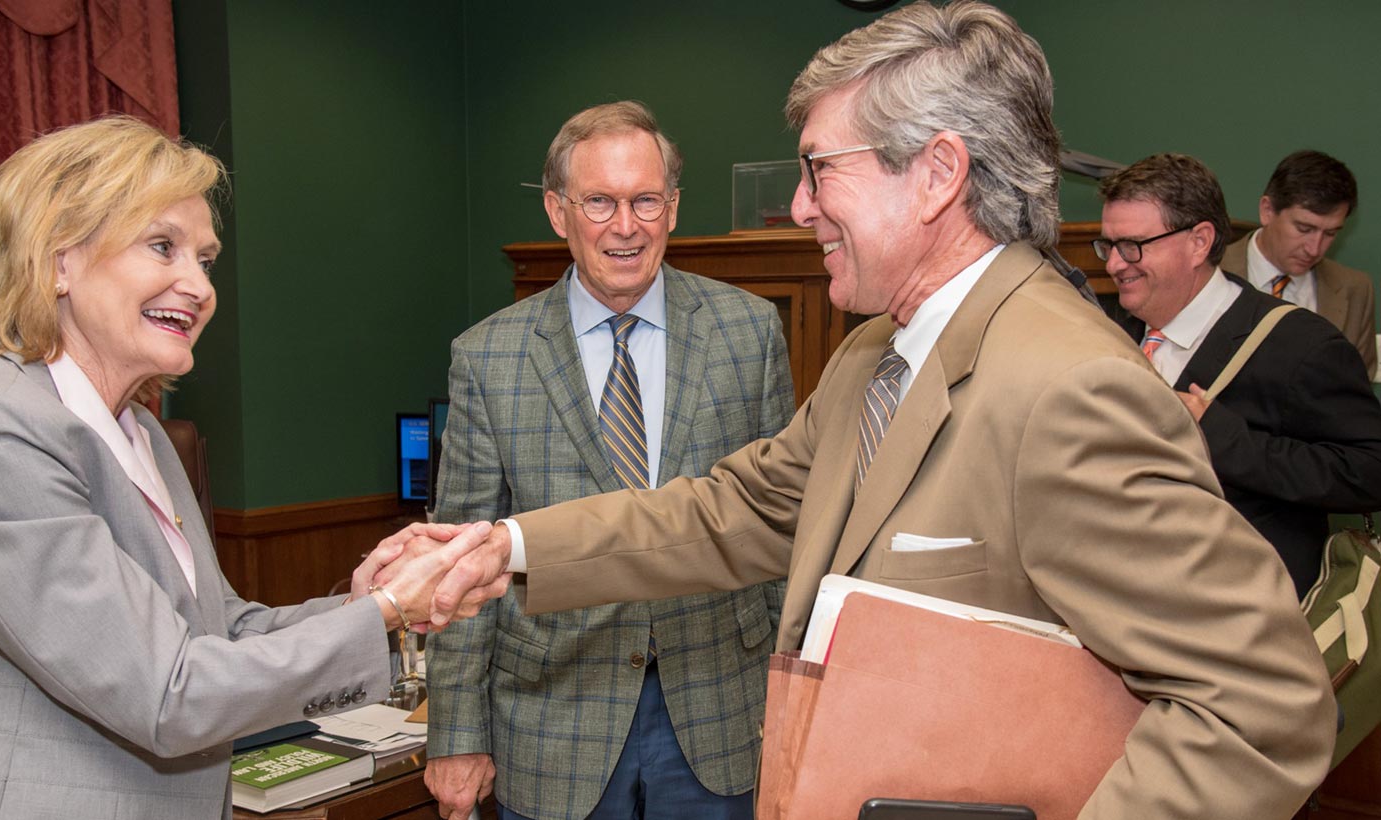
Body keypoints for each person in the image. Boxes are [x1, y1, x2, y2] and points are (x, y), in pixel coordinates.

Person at [396, 3, 1338, 818]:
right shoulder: (870, 355)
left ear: (935, 173)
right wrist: (506, 548)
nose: (799, 206)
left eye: (819, 170)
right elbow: (737, 510)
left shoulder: (1066, 386)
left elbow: (1259, 705)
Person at [0, 115, 494, 820]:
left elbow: (217, 634)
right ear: (57, 260)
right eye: (161, 247)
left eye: (203, 260)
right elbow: (168, 693)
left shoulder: (137, 429)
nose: (198, 287)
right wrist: (392, 610)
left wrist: (367, 604)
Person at [424, 101, 793, 820]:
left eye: (645, 200)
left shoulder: (748, 332)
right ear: (559, 212)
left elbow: (780, 529)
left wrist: (797, 701)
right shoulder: (488, 358)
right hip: (555, 727)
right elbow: (461, 561)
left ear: (674, 208)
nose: (626, 227)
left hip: (720, 715)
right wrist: (456, 735)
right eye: (599, 202)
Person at [1097, 152, 1381, 595]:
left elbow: (1368, 471)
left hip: (1242, 614)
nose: (1115, 264)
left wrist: (1221, 436)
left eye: (1133, 245)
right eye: (1109, 246)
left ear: (1199, 241)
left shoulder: (1303, 345)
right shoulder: (1111, 328)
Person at [1221, 150, 1376, 379]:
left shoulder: (1356, 289)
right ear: (1267, 211)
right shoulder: (1208, 271)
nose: (1315, 249)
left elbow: (1355, 394)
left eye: (1330, 233)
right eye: (1304, 229)